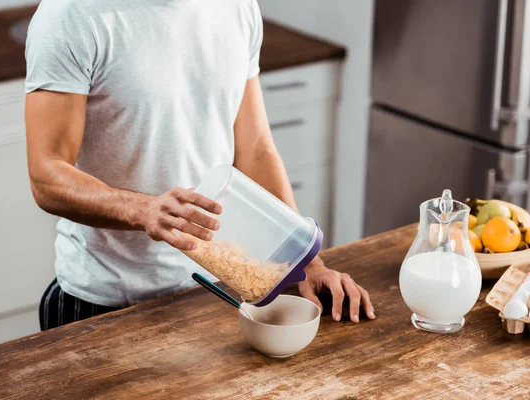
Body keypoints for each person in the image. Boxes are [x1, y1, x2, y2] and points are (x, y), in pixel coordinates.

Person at [25, 0, 375, 331]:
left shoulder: (236, 7)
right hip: (103, 301)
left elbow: (255, 151)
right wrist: (143, 209)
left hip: (211, 291)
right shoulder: (71, 15)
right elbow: (47, 176)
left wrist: (306, 265)